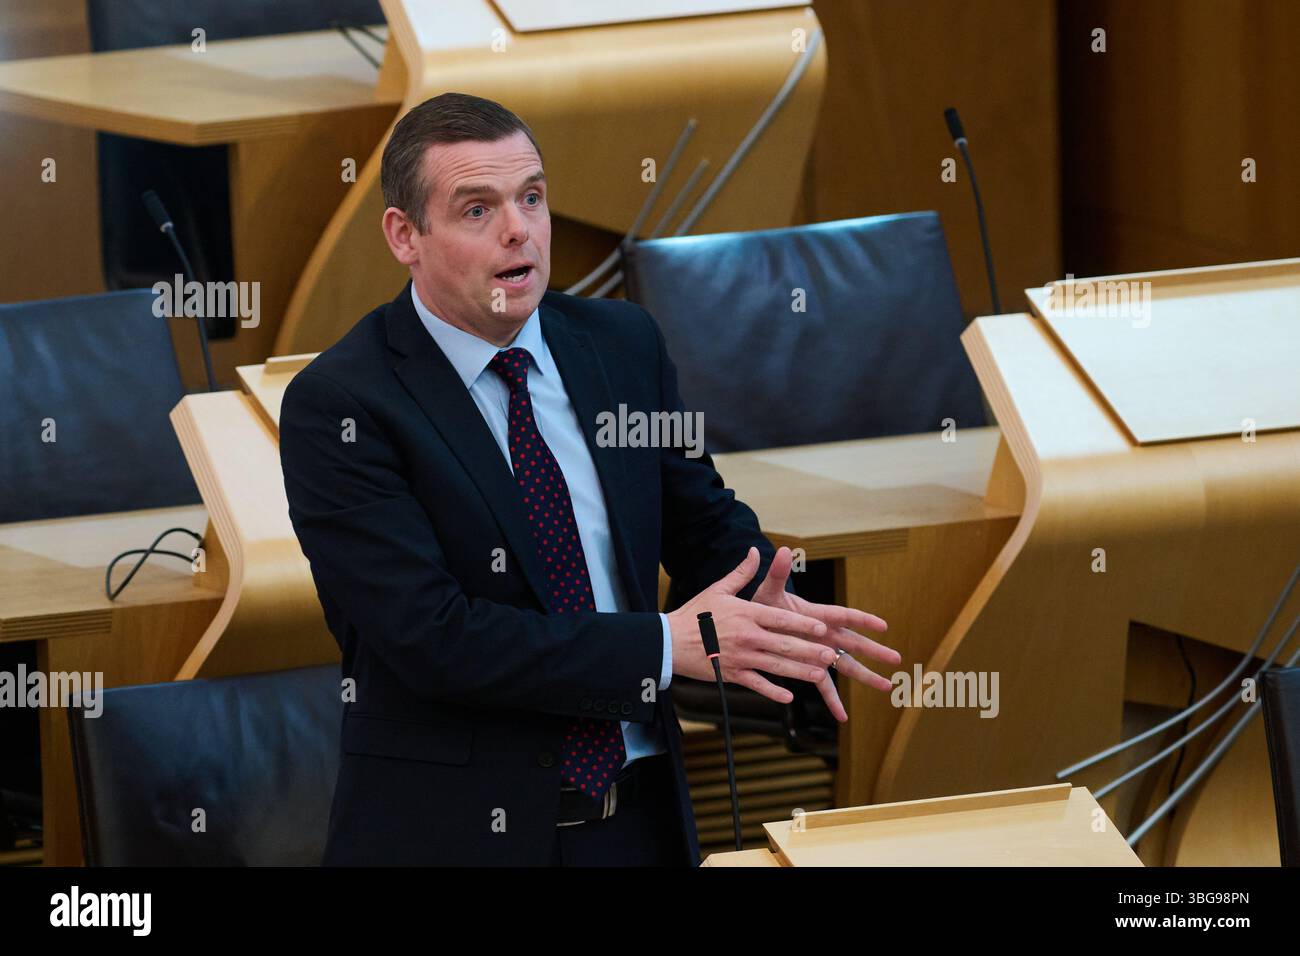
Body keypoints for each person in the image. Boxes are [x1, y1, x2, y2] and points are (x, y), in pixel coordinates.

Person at [278, 92, 899, 866]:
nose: (520, 230)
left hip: (639, 822)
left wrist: (767, 603)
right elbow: (433, 639)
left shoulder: (621, 345)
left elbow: (704, 522)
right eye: (478, 209)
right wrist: (661, 647)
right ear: (406, 235)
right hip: (459, 837)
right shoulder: (342, 404)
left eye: (531, 198)